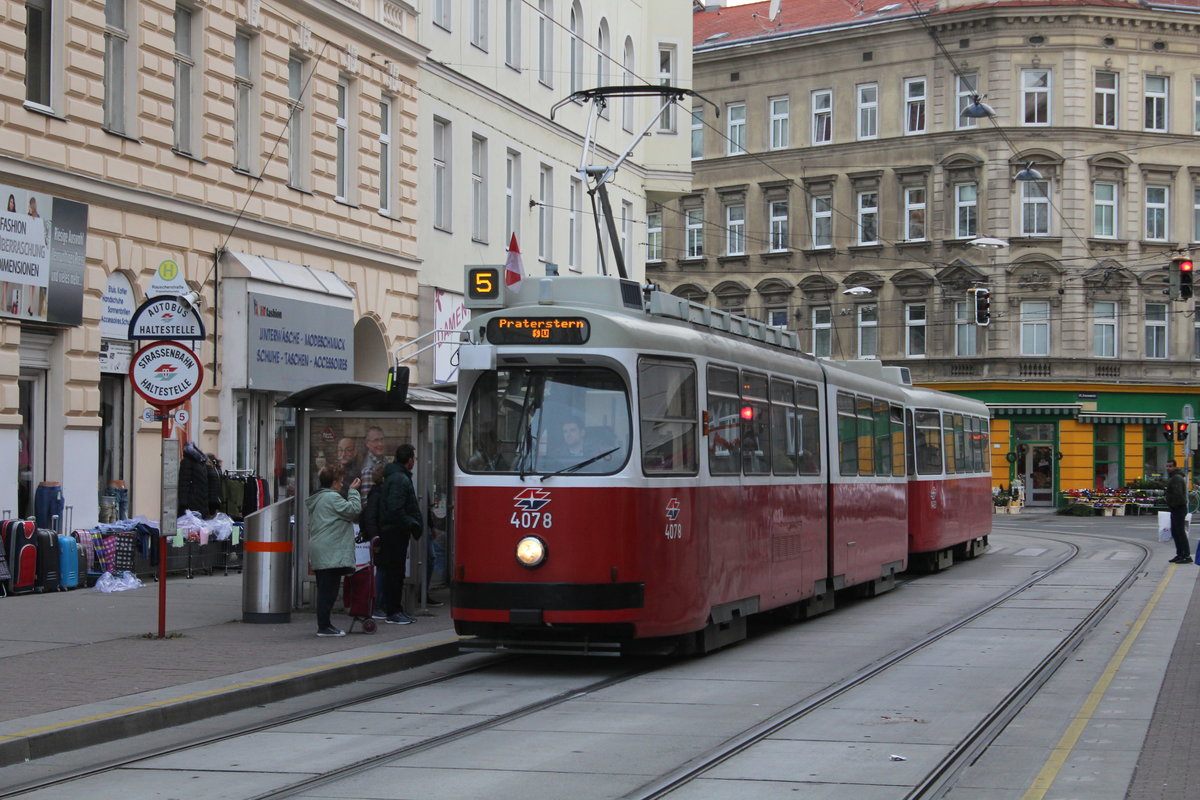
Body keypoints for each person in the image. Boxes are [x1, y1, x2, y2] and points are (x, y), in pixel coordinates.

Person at [305, 465, 362, 637]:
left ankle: (325, 625)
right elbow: (353, 510)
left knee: (325, 589)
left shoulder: (319, 498)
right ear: (334, 482)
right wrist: (353, 492)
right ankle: (324, 626)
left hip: (322, 549)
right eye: (340, 481)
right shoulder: (332, 498)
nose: (342, 485)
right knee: (328, 592)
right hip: (330, 551)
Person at [378, 443, 423, 624]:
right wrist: (412, 523)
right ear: (410, 460)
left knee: (394, 572)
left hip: (393, 530)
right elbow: (396, 509)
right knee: (395, 573)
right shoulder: (399, 478)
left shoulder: (395, 476)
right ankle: (393, 611)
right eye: (414, 458)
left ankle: (395, 609)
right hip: (395, 532)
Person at [1165, 459, 1191, 564]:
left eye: (1170, 466)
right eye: (1167, 466)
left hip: (1178, 508)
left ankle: (1186, 555)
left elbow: (1178, 494)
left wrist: (1173, 505)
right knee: (1175, 533)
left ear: (1175, 467)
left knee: (1180, 533)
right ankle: (1180, 554)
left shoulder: (1176, 478)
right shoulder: (1174, 477)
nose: (1168, 468)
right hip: (1176, 508)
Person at [359, 426, 389, 493]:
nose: (380, 444)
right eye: (376, 440)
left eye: (382, 439)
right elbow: (366, 500)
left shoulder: (383, 461)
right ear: (367, 443)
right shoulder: (368, 469)